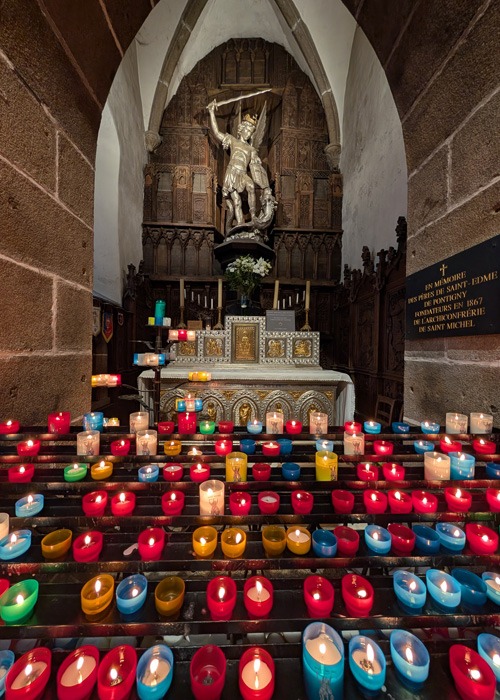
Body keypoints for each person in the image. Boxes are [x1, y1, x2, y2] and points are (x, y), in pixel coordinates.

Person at [207, 102, 270, 232]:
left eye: (251, 132)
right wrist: (212, 112)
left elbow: (255, 165)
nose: (249, 134)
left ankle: (253, 215)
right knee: (236, 201)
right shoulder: (232, 140)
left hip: (242, 173)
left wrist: (257, 161)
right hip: (232, 172)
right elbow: (217, 133)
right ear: (241, 128)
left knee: (251, 186)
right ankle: (240, 223)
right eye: (248, 130)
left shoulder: (251, 149)